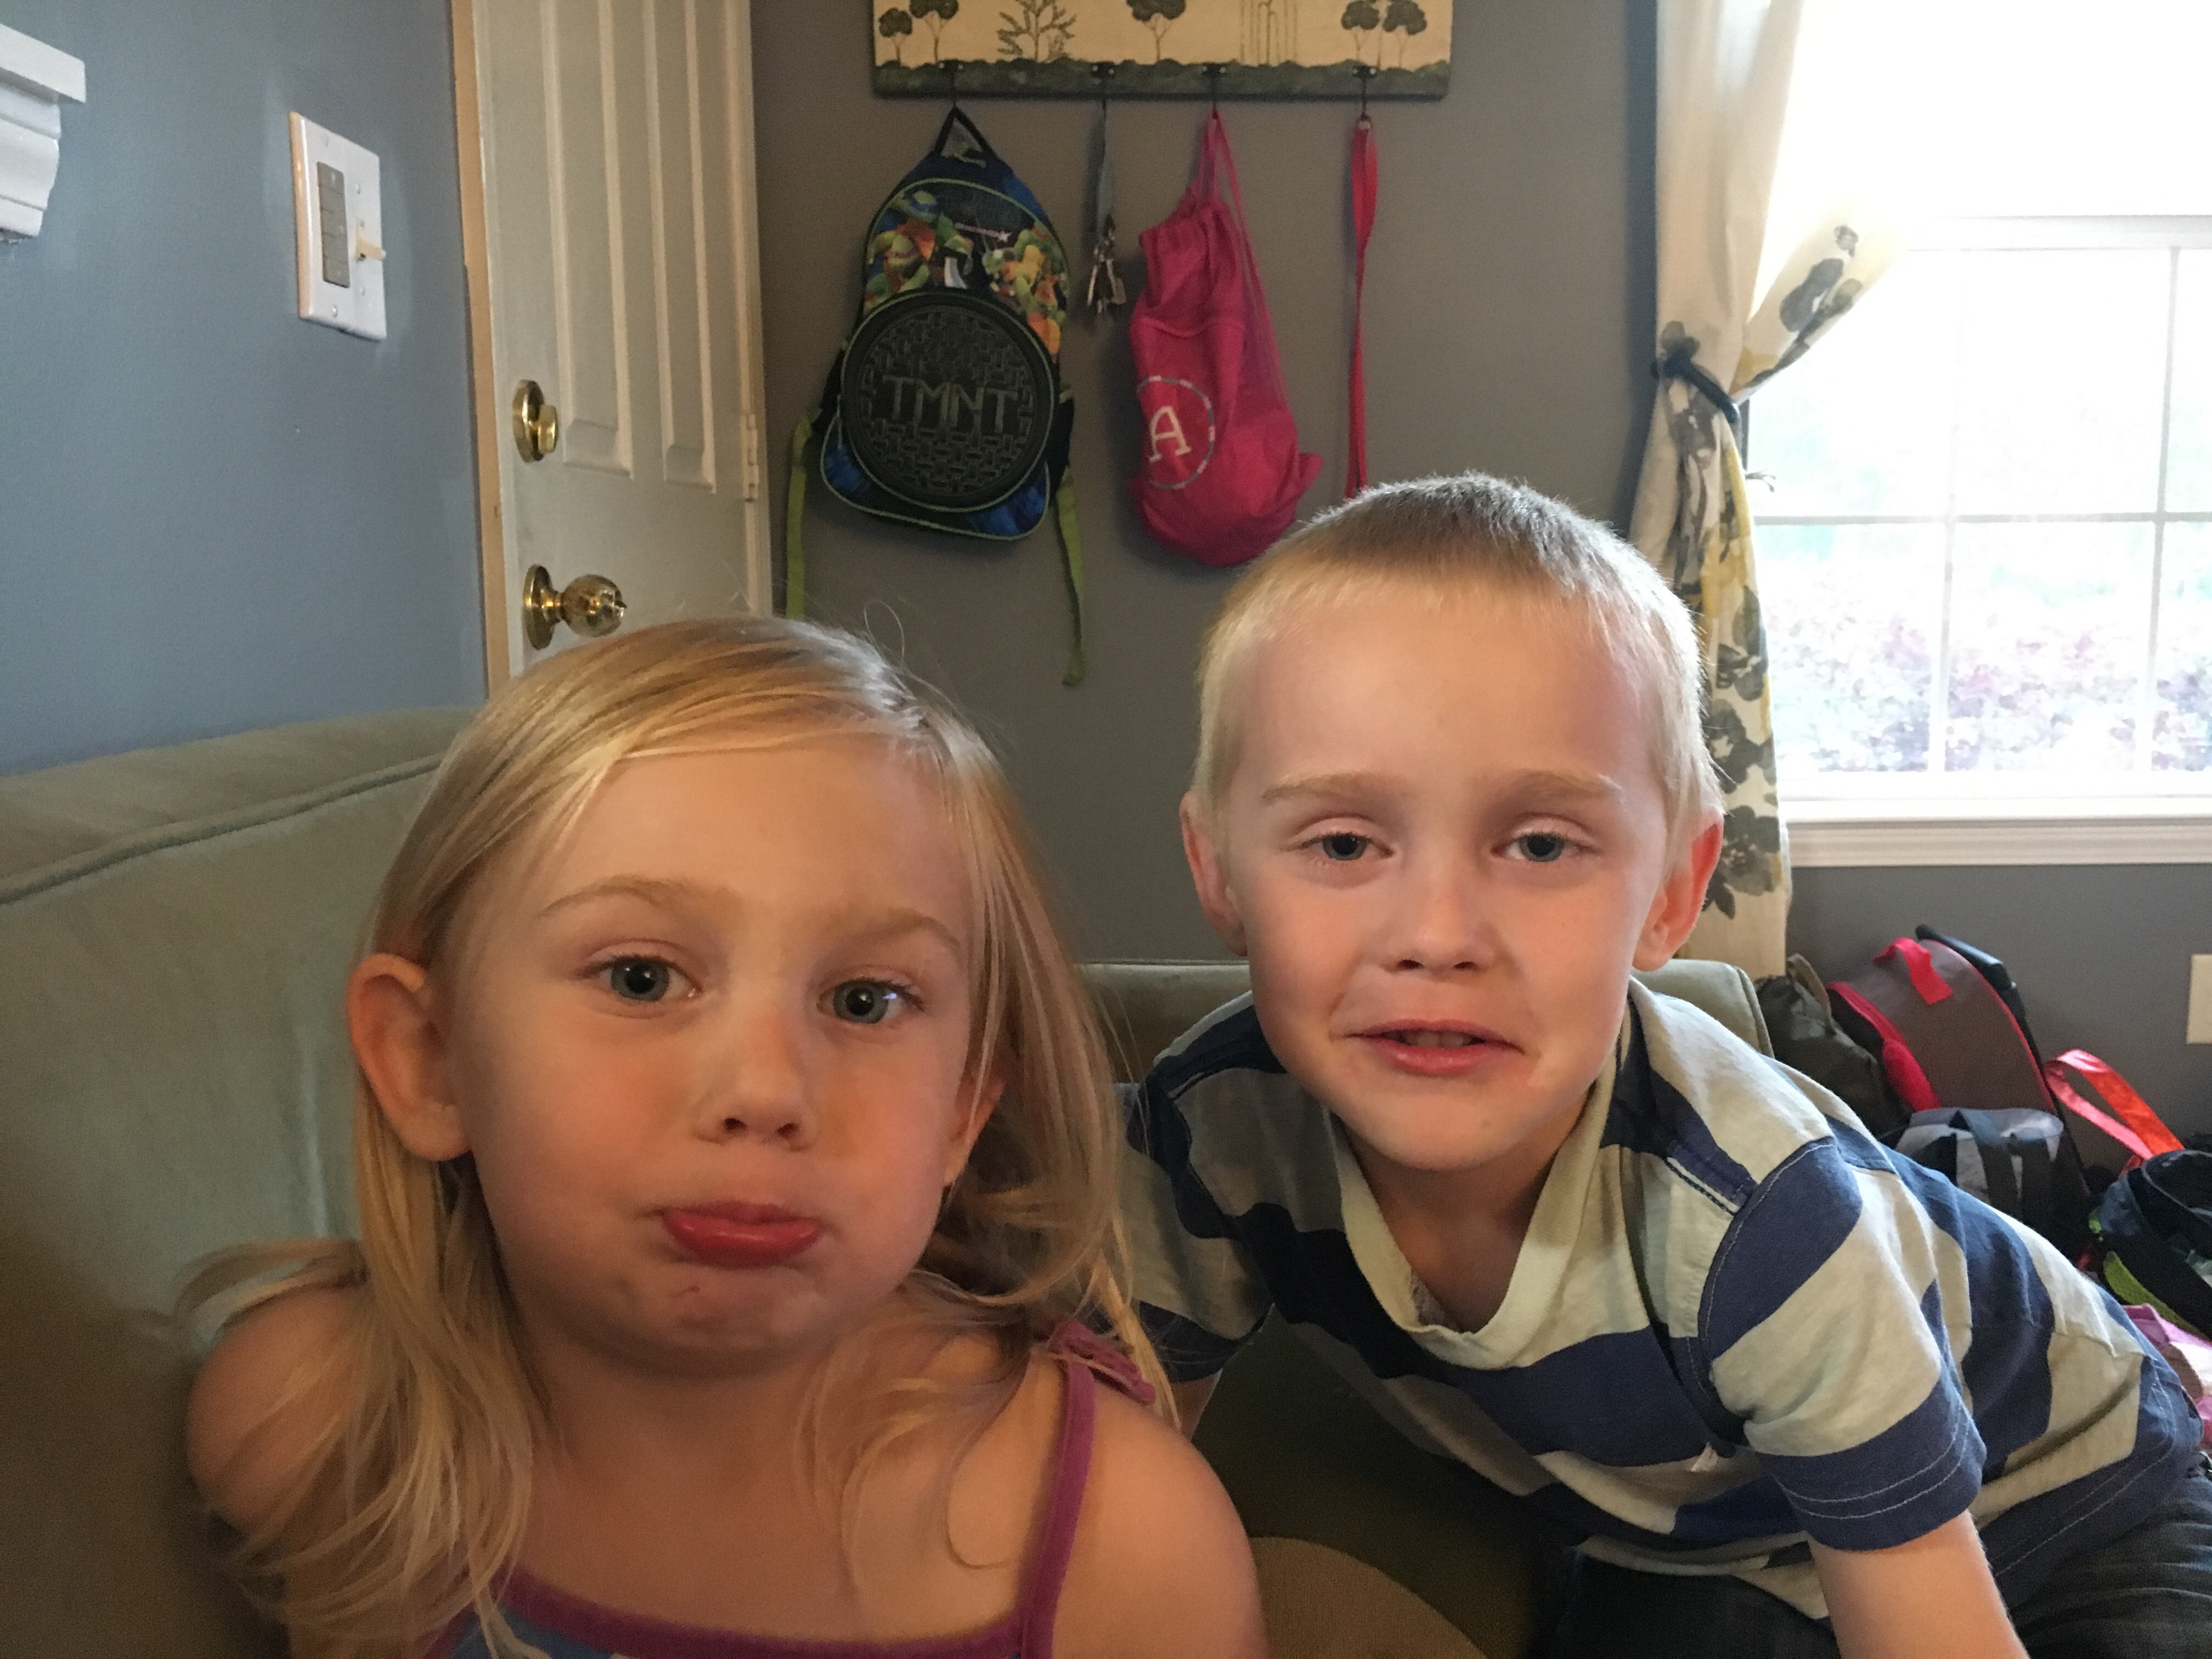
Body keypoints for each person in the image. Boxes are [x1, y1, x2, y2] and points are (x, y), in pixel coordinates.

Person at [1122, 473, 2212, 1659]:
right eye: (1343, 842)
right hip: (1722, 1542)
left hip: (2065, 1492)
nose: (1436, 934)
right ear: (1217, 870)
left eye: (1541, 845)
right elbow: (1113, 1472)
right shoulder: (1211, 1134)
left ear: (1675, 892)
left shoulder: (1762, 1218)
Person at [185, 618, 1267, 1659]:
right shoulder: (309, 1425)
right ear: (430, 1059)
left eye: (864, 1001)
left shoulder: (1124, 1548)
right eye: (641, 979)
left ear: (961, 1111)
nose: (765, 1090)